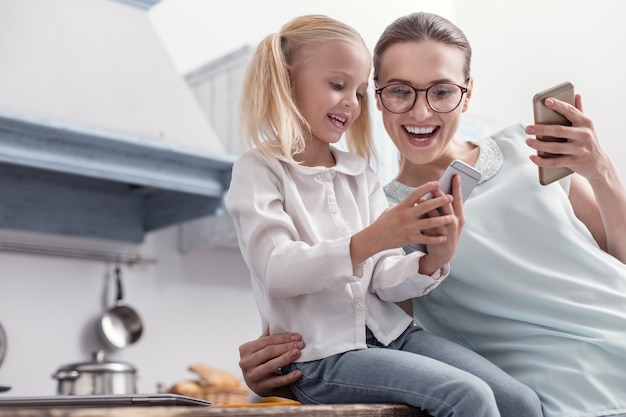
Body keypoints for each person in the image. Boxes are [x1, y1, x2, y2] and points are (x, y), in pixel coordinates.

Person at [236, 11, 626, 417]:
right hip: (573, 397)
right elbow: (367, 336)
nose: (421, 113)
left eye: (441, 92)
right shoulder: (390, 219)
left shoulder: (526, 149)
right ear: (381, 98)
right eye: (400, 91)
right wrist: (265, 378)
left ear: (468, 93)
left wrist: (602, 170)